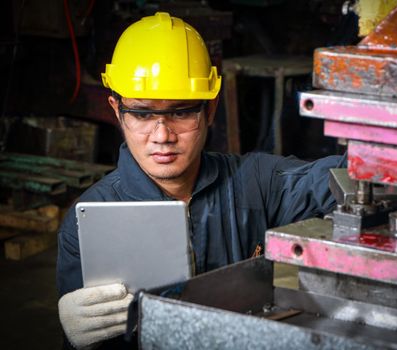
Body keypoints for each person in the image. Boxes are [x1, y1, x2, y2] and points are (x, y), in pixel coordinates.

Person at [56, 12, 343, 350]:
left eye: (181, 112)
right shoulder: (86, 222)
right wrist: (75, 340)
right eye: (143, 114)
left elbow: (342, 176)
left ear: (210, 109)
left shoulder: (255, 183)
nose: (162, 135)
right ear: (116, 110)